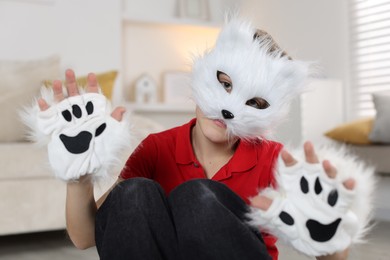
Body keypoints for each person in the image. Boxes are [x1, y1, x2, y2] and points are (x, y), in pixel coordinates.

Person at [36, 19, 357, 260]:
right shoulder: (157, 148)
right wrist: (78, 175)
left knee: (196, 197)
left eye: (254, 103)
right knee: (134, 192)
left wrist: (330, 234)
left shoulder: (273, 159)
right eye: (224, 84)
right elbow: (84, 237)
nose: (228, 109)